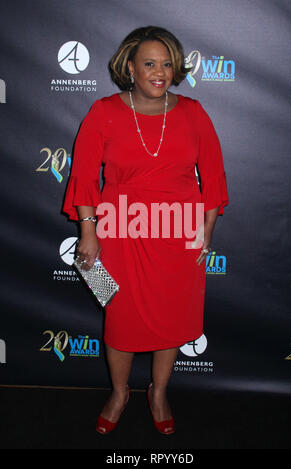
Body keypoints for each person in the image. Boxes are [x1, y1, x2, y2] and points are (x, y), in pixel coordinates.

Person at [62, 26, 229, 435]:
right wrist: (88, 231)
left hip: (179, 232)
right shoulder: (103, 112)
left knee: (171, 317)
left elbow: (213, 175)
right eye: (149, 63)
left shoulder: (193, 112)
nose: (159, 72)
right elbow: (84, 178)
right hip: (119, 231)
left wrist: (206, 230)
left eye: (167, 63)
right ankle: (119, 393)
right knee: (119, 317)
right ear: (130, 68)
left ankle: (158, 392)